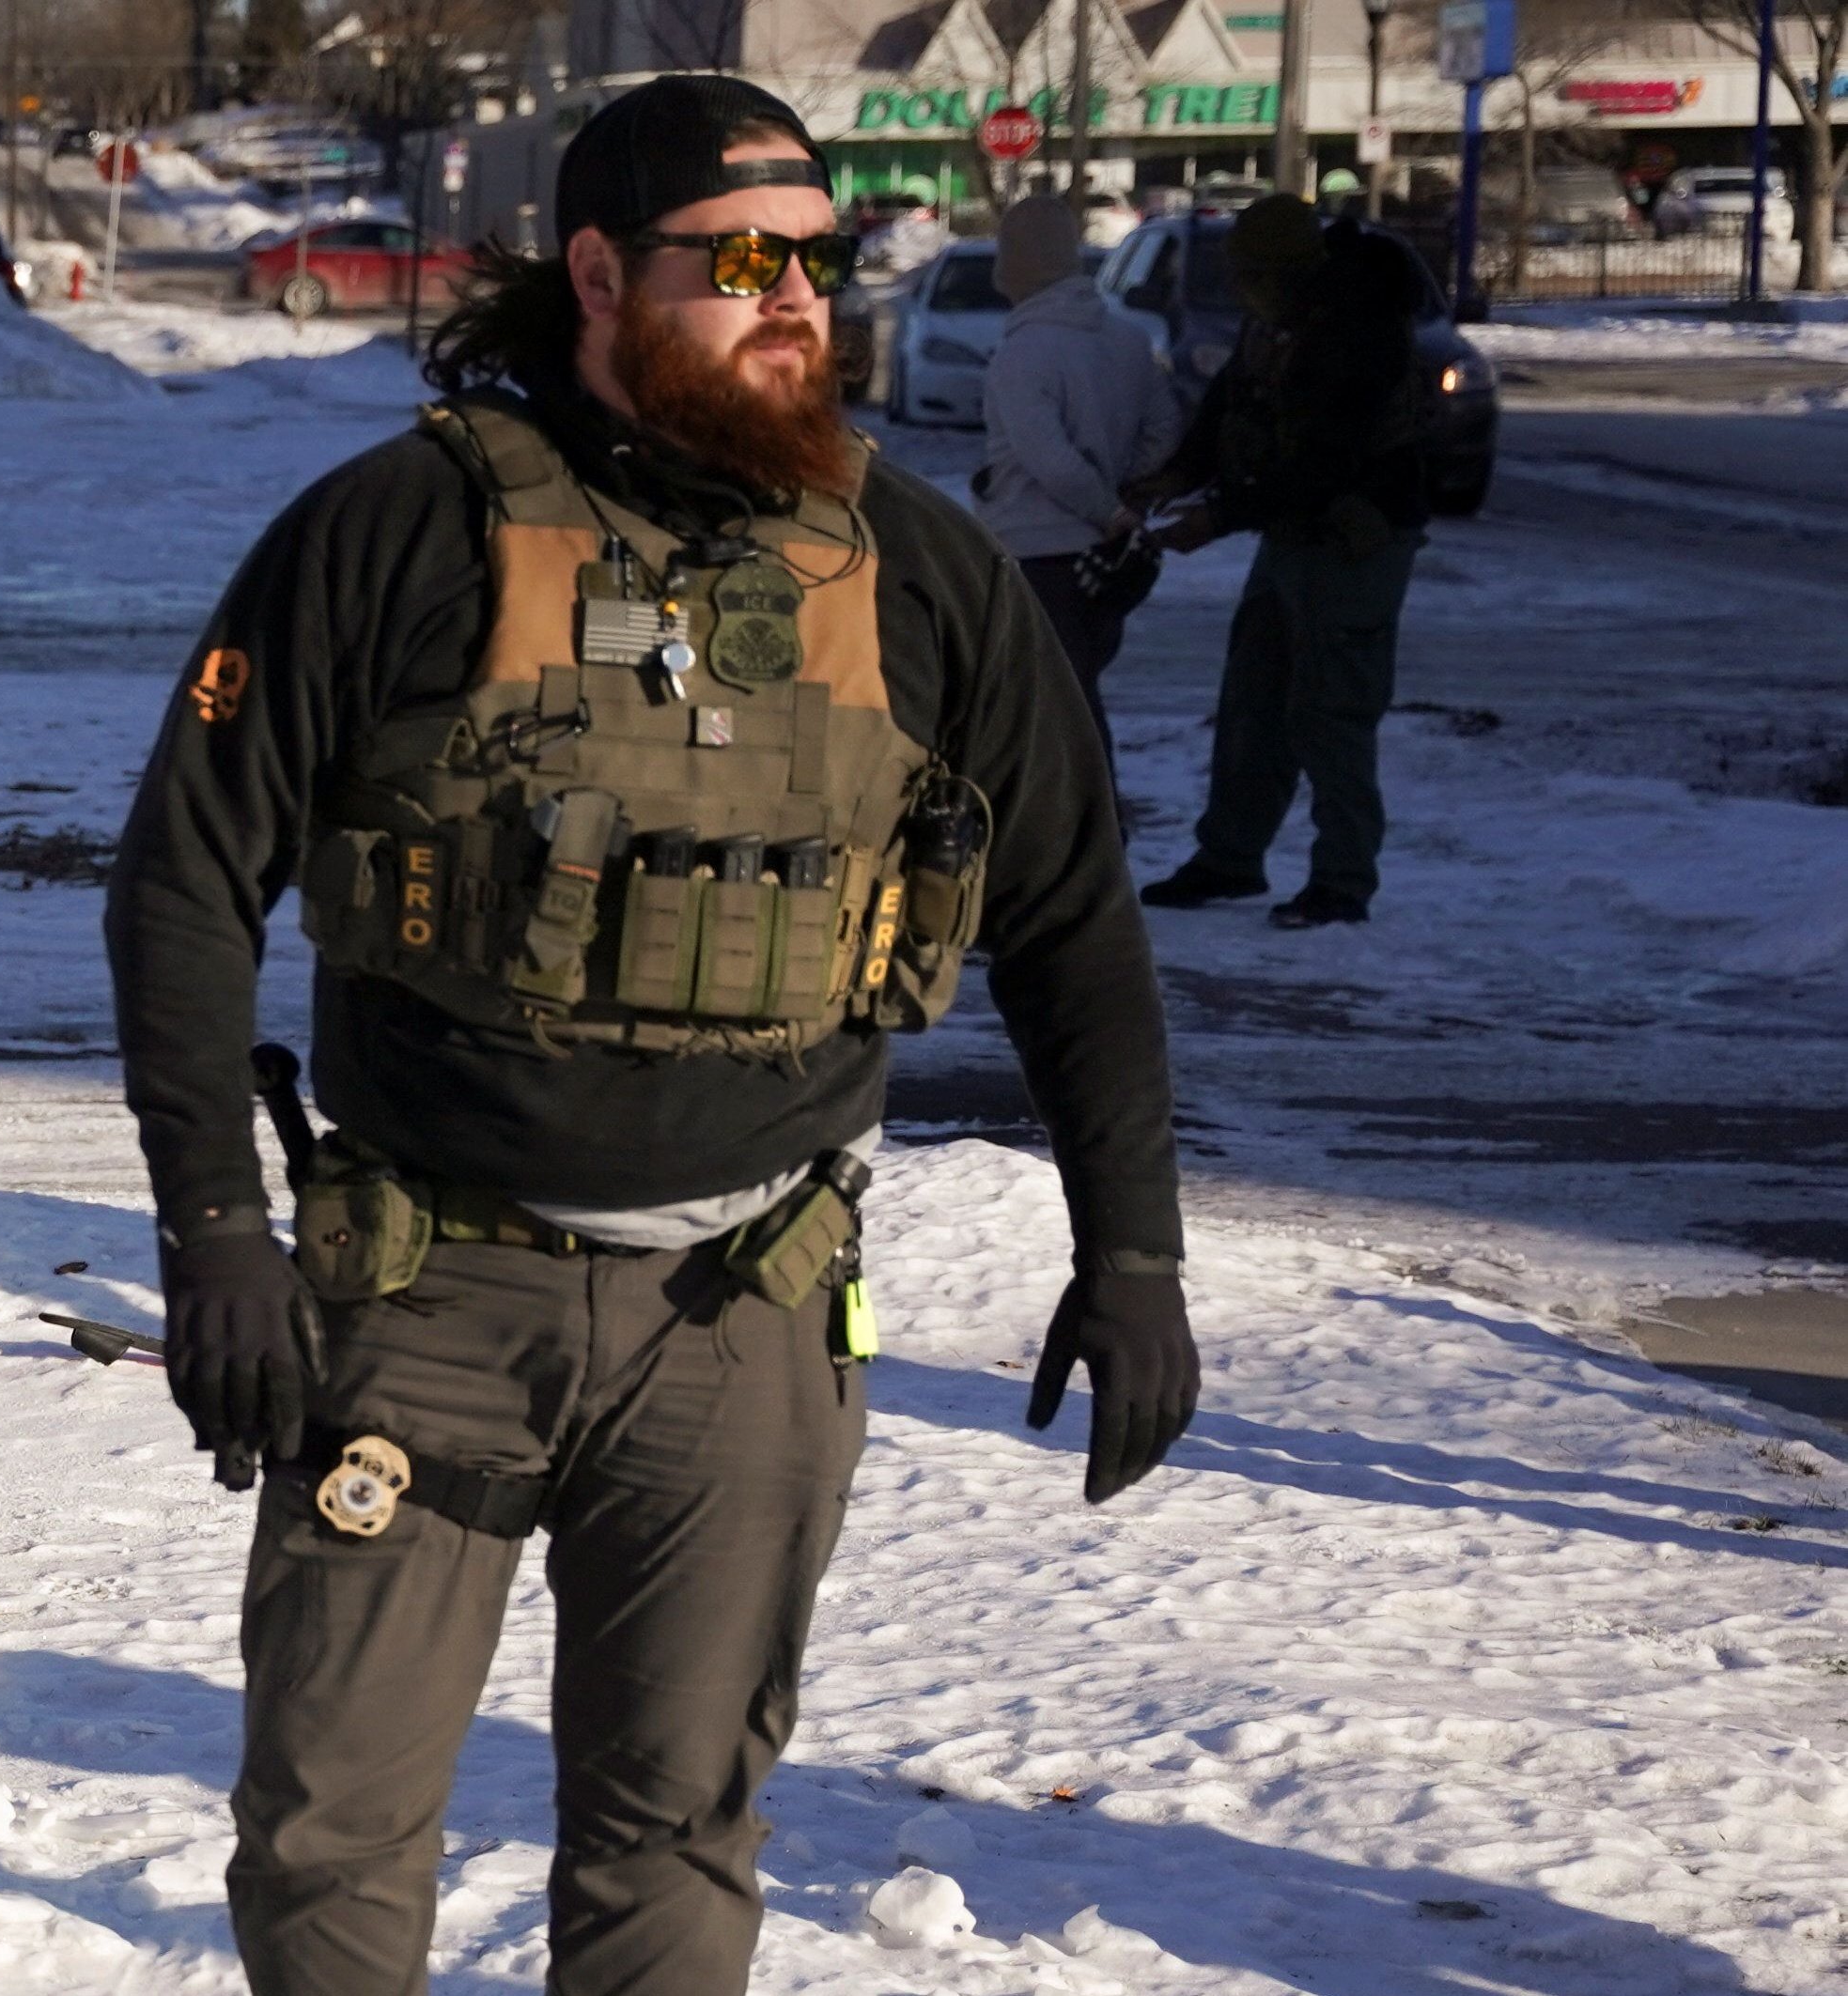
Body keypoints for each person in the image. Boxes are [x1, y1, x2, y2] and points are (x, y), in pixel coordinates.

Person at [103, 77, 1195, 1995]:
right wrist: (212, 1231)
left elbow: (1071, 922)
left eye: (825, 261)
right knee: (331, 1833)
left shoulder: (918, 573)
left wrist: (1137, 1249)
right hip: (427, 1303)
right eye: (745, 260)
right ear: (601, 271)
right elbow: (188, 878)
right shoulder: (403, 529)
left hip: (751, 1318)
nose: (801, 303)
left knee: (677, 1837)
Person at [1131, 195, 1434, 929]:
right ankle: (1230, 858)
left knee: (1330, 709)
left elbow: (1323, 461)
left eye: (1252, 274)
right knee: (1253, 700)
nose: (1242, 289)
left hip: (1351, 540)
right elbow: (1235, 403)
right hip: (1291, 533)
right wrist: (1175, 476)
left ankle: (1342, 879)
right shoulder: (1280, 315)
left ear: (1292, 269)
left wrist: (1216, 517)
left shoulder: (1358, 329)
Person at [972, 191, 1183, 790]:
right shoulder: (1127, 340)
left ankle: (1081, 832)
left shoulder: (1023, 354)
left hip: (1034, 554)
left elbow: (1048, 461)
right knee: (1079, 692)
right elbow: (1163, 427)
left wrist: (1106, 505)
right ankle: (1089, 827)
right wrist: (1120, 487)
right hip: (1102, 561)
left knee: (1050, 712)